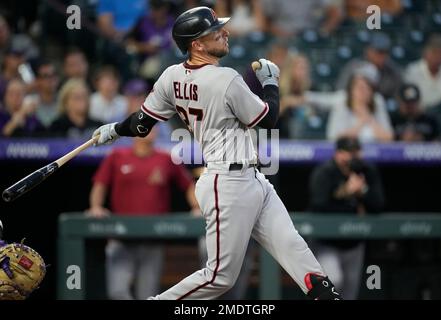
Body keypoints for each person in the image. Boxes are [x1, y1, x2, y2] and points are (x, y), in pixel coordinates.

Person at [91, 6, 341, 300]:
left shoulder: (172, 76)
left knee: (294, 248)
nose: (224, 33)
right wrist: (271, 83)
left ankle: (325, 294)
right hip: (227, 183)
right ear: (196, 44)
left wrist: (116, 129)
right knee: (220, 277)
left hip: (251, 179)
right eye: (215, 32)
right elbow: (268, 119)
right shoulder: (225, 79)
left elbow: (142, 124)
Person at [87, 128, 198, 300]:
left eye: (154, 127)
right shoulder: (117, 155)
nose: (152, 129)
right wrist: (96, 206)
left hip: (152, 238)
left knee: (148, 294)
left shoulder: (165, 158)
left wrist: (197, 207)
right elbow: (100, 184)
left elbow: (188, 185)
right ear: (134, 132)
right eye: (147, 126)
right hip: (121, 237)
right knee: (117, 291)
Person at [308, 136, 385, 299]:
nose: (352, 157)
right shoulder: (325, 172)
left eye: (355, 152)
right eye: (347, 153)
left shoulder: (367, 171)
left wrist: (362, 191)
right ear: (338, 154)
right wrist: (346, 191)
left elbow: (378, 205)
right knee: (333, 282)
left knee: (350, 291)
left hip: (354, 243)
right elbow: (318, 206)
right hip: (326, 241)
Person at [404, 33, 441, 110]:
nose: (437, 58)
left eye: (440, 54)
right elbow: (409, 97)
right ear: (426, 53)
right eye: (434, 53)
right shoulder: (412, 70)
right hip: (420, 115)